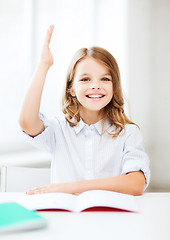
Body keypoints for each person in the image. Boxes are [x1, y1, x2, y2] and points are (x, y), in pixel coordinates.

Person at [19, 25, 150, 196]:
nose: (95, 85)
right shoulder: (58, 129)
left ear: (114, 86)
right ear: (71, 89)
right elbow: (27, 122)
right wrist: (43, 65)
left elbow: (135, 184)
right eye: (85, 79)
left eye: (105, 78)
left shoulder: (127, 133)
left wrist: (68, 187)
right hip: (67, 217)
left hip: (112, 218)